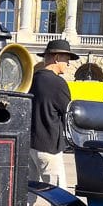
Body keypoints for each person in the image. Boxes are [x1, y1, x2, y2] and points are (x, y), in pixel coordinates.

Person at [28, 38, 77, 188]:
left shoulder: (31, 79)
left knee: (27, 193)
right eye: (66, 59)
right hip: (49, 146)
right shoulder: (58, 83)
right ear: (56, 58)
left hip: (29, 145)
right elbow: (68, 114)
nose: (68, 64)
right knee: (59, 194)